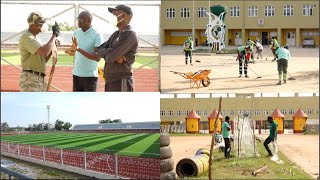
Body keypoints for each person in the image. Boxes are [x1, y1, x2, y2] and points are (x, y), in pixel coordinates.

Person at [73, 5, 138, 92]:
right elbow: (98, 50)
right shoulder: (115, 34)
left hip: (121, 80)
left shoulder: (130, 34)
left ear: (124, 15)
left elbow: (110, 57)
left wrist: (110, 54)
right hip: (110, 79)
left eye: (115, 14)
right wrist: (112, 53)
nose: (113, 16)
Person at [19, 12, 60, 92]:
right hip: (31, 79)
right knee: (31, 104)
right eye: (41, 22)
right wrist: (54, 35)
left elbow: (43, 59)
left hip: (39, 78)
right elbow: (44, 52)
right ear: (34, 23)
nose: (43, 24)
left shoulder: (36, 38)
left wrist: (53, 45)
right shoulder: (26, 36)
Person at [72, 11, 103, 92]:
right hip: (76, 74)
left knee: (88, 103)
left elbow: (97, 58)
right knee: (75, 102)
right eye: (78, 19)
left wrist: (78, 49)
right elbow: (74, 51)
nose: (78, 21)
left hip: (90, 76)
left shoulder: (97, 34)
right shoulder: (75, 33)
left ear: (89, 20)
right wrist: (71, 51)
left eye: (81, 19)